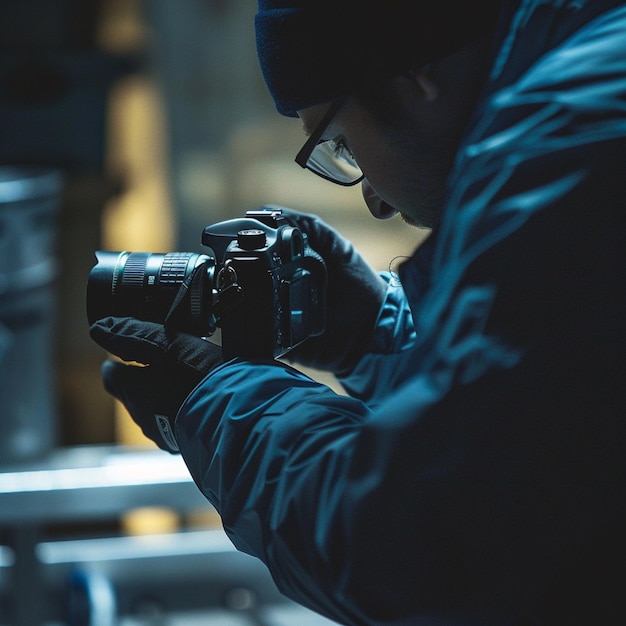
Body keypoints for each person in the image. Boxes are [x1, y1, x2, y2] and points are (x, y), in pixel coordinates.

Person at [89, 1, 626, 624]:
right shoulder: (596, 72)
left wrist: (214, 400)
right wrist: (373, 335)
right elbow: (548, 429)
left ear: (415, 71)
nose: (371, 198)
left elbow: (424, 553)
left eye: (340, 144)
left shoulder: (570, 136)